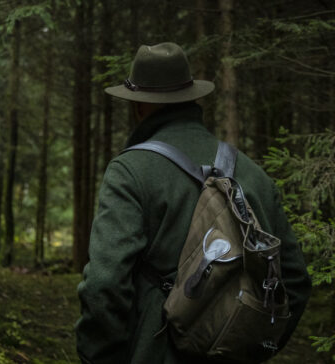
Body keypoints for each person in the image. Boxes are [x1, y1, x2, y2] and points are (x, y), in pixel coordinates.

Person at [75, 42, 311, 364]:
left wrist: (99, 357)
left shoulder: (130, 172)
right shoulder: (254, 175)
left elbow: (104, 287)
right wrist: (251, 343)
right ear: (192, 98)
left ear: (139, 106)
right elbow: (294, 281)